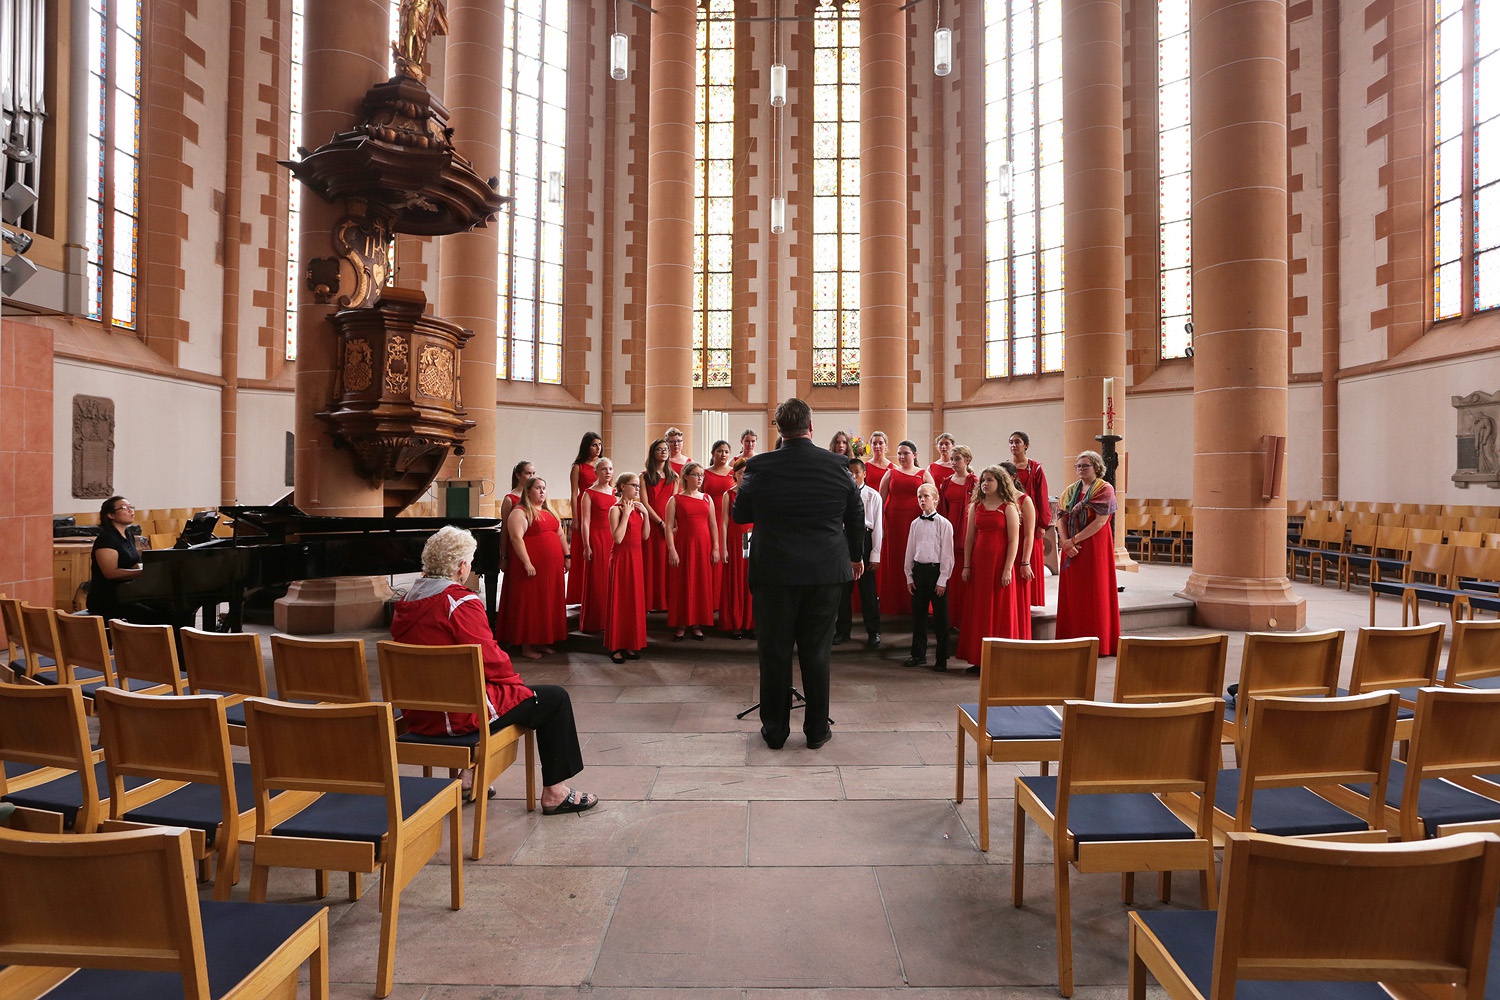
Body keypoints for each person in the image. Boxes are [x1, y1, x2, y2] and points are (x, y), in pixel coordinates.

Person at [391, 525, 597, 813]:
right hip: (460, 716)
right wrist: (516, 685)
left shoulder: (405, 603)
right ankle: (556, 792)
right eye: (470, 562)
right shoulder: (459, 602)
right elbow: (491, 661)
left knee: (494, 688)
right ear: (462, 566)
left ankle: (469, 777)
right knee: (553, 699)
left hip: (421, 715)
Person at [732, 398, 864, 751]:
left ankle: (775, 731)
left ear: (778, 428)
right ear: (811, 426)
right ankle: (816, 731)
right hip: (824, 572)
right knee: (817, 652)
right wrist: (856, 557)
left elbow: (740, 514)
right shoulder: (837, 465)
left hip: (774, 572)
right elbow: (855, 513)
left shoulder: (759, 467)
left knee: (774, 653)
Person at [1055, 450, 1121, 656]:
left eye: (1085, 465)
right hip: (1071, 547)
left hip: (1094, 546)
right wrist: (1065, 542)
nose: (1081, 469)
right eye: (1078, 466)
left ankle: (1098, 641)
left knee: (1095, 591)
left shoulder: (1105, 489)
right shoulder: (1071, 490)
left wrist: (1073, 540)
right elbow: (1061, 518)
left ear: (1096, 467)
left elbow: (1101, 522)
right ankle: (1071, 637)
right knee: (1074, 593)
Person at [958, 466, 1022, 672]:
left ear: (1001, 483)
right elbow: (969, 539)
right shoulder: (976, 506)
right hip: (979, 564)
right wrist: (967, 565)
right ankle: (978, 659)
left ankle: (1000, 660)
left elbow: (1014, 541)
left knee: (1000, 610)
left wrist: (1007, 569)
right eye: (983, 480)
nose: (985, 483)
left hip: (1000, 563)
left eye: (990, 480)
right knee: (980, 609)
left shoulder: (1008, 507)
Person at [504, 477, 569, 659]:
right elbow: (516, 538)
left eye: (544, 488)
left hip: (551, 569)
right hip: (531, 568)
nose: (542, 492)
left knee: (546, 604)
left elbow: (561, 534)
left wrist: (567, 556)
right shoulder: (520, 512)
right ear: (528, 491)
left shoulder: (549, 511)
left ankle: (541, 641)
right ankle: (527, 646)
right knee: (531, 604)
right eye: (538, 488)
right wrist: (527, 562)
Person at [87, 496, 164, 624]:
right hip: (107, 597)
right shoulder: (107, 538)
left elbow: (131, 563)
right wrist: (144, 572)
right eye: (124, 508)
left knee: (168, 607)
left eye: (131, 507)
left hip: (127, 592)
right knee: (153, 615)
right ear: (111, 515)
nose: (131, 511)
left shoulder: (128, 534)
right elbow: (110, 573)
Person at [879, 440, 934, 618]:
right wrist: (881, 526)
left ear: (915, 455)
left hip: (917, 524)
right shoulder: (890, 474)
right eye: (900, 453)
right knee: (896, 559)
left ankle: (916, 603)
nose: (902, 457)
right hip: (894, 523)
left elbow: (933, 500)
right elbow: (880, 502)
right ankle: (894, 603)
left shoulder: (924, 474)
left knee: (915, 560)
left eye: (906, 453)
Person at [665, 463, 719, 641]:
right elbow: (668, 527)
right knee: (683, 583)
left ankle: (696, 624)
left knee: (700, 583)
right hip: (684, 546)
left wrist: (716, 547)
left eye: (701, 475)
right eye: (696, 475)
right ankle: (682, 623)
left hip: (703, 546)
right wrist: (672, 549)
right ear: (686, 476)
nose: (699, 478)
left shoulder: (706, 498)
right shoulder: (675, 499)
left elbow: (713, 524)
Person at [904, 484, 955, 672]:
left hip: (936, 573)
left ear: (935, 499)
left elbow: (948, 555)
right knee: (919, 616)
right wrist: (909, 575)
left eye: (926, 496)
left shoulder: (944, 524)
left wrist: (942, 580)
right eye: (919, 496)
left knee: (941, 618)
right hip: (919, 572)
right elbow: (910, 551)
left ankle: (941, 658)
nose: (922, 500)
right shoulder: (915, 524)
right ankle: (918, 655)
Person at [835, 457, 882, 649]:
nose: (853, 476)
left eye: (857, 472)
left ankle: (873, 631)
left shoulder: (873, 495)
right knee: (843, 589)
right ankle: (843, 631)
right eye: (850, 472)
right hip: (844, 540)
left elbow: (878, 527)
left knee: (867, 590)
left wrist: (875, 554)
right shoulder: (840, 495)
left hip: (865, 539)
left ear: (864, 474)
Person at [606, 473, 649, 663]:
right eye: (634, 485)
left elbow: (645, 536)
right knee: (620, 600)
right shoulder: (615, 509)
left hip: (637, 558)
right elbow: (618, 538)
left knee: (633, 601)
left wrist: (646, 514)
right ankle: (616, 646)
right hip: (622, 558)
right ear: (622, 487)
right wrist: (626, 514)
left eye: (639, 486)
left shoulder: (639, 509)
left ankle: (631, 643)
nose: (637, 489)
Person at [1009, 430, 1054, 604]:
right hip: (1010, 517)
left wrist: (1042, 524)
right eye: (1011, 442)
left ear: (1026, 445)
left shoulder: (1035, 468)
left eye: (1018, 442)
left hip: (1030, 519)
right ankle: (1013, 595)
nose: (1014, 445)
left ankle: (1029, 598)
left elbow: (1042, 496)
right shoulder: (1005, 467)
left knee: (1028, 557)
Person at [577, 457, 618, 633]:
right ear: (596, 472)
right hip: (597, 538)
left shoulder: (616, 492)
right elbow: (585, 522)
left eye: (610, 469)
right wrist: (586, 545)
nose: (608, 472)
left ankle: (612, 620)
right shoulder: (589, 493)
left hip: (614, 537)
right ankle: (596, 621)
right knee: (597, 580)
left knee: (612, 579)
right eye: (603, 469)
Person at [941, 446, 979, 629]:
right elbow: (942, 509)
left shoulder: (975, 482)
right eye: (952, 459)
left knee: (964, 576)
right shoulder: (947, 482)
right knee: (950, 575)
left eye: (957, 459)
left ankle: (966, 619)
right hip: (950, 530)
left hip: (967, 531)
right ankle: (951, 618)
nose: (954, 462)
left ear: (967, 460)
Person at [999, 461, 1037, 640]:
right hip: (1002, 552)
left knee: (1017, 600)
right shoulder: (997, 499)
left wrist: (1025, 561)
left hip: (1019, 553)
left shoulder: (1024, 500)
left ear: (1013, 477)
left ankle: (1018, 637)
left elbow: (1029, 535)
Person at [719, 458, 755, 640]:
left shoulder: (755, 493)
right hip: (734, 540)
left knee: (750, 580)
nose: (745, 476)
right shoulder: (729, 494)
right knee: (736, 579)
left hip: (752, 539)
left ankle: (750, 623)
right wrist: (723, 547)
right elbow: (724, 522)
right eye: (742, 473)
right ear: (735, 475)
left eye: (748, 473)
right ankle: (736, 624)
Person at [641, 438, 677, 613]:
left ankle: (667, 602)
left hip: (669, 525)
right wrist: (660, 522)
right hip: (652, 524)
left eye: (666, 449)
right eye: (659, 449)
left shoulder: (674, 477)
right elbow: (645, 503)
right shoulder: (644, 476)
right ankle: (649, 602)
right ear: (653, 453)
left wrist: (670, 524)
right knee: (651, 562)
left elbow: (676, 503)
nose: (664, 452)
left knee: (667, 562)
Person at [567, 432, 603, 604]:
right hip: (583, 508)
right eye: (594, 445)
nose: (598, 448)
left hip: (601, 509)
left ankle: (599, 589)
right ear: (586, 446)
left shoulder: (604, 465)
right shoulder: (578, 467)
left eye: (599, 444)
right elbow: (574, 494)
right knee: (584, 549)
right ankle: (581, 592)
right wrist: (575, 518)